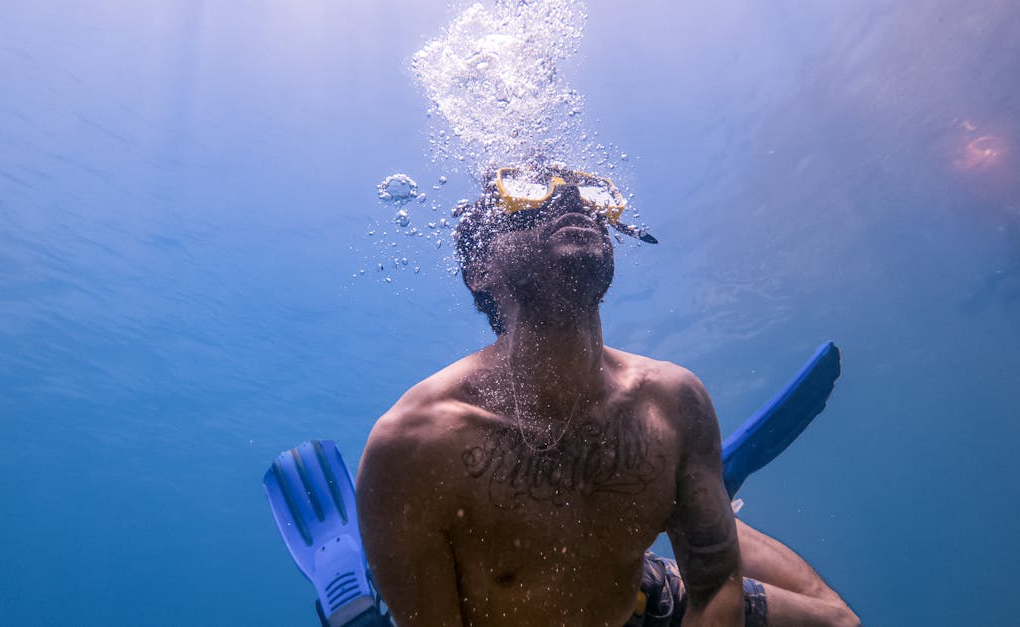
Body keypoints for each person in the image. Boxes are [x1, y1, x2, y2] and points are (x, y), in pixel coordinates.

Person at [354, 165, 859, 627]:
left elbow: (714, 589)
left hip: (643, 600)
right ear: (480, 270)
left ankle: (695, 499)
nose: (568, 198)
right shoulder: (414, 446)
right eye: (528, 196)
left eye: (583, 191)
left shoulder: (673, 402)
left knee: (841, 622)